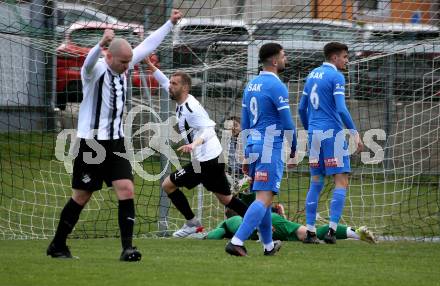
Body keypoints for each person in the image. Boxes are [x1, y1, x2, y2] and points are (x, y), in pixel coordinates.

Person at [46, 10, 183, 261]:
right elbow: (87, 64)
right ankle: (57, 245)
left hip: (116, 143)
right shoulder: (95, 71)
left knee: (127, 189)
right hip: (92, 143)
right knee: (82, 195)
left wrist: (170, 24)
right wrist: (100, 44)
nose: (125, 67)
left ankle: (127, 248)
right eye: (121, 62)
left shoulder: (125, 64)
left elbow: (148, 44)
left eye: (128, 62)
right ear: (109, 57)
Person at [145, 58, 249, 238]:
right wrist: (150, 65)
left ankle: (192, 223)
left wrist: (194, 144)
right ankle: (262, 224)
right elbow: (163, 81)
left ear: (184, 88)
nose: (169, 86)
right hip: (214, 158)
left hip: (206, 161)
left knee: (168, 184)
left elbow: (209, 129)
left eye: (174, 84)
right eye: (170, 83)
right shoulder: (181, 98)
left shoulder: (191, 108)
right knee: (226, 199)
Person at [224, 43, 297, 257]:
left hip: (254, 146)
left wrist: (246, 154)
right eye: (284, 55)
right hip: (269, 146)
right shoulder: (277, 86)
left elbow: (245, 125)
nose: (286, 58)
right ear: (274, 61)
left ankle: (268, 245)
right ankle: (237, 241)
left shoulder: (251, 85)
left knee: (262, 198)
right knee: (264, 198)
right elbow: (287, 123)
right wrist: (294, 148)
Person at [298, 42, 363, 244]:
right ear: (334, 57)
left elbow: (301, 108)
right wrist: (354, 133)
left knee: (316, 182)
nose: (347, 60)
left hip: (315, 134)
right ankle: (331, 232)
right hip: (333, 135)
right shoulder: (336, 77)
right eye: (344, 56)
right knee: (341, 180)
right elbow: (342, 109)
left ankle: (310, 232)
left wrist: (311, 130)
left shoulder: (312, 75)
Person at [205, 213, 377, 244]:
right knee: (310, 234)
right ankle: (354, 232)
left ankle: (354, 233)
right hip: (272, 221)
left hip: (268, 221)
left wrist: (204, 236)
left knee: (309, 233)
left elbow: (215, 235)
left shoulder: (231, 222)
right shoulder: (233, 224)